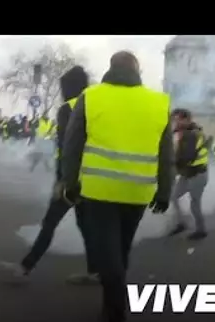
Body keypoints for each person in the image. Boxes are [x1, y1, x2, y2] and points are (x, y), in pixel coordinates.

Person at [62, 51, 174, 322]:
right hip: (137, 191)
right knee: (121, 247)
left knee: (108, 252)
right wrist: (164, 191)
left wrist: (70, 182)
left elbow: (72, 144)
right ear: (138, 71)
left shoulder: (92, 96)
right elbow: (166, 153)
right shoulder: (158, 103)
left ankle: (114, 308)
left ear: (110, 68)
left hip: (99, 189)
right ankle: (112, 301)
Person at [0, 66, 98, 284]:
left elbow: (68, 146)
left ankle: (25, 267)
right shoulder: (94, 105)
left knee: (50, 223)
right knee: (86, 226)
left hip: (70, 179)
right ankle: (95, 270)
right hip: (90, 177)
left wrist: (63, 181)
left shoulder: (68, 108)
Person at [167, 108, 209, 240]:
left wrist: (171, 165)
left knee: (194, 203)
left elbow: (186, 157)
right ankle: (182, 223)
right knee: (174, 196)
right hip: (187, 173)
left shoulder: (191, 135)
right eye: (174, 120)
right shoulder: (182, 132)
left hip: (197, 174)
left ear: (187, 120)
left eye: (178, 119)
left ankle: (201, 230)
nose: (175, 122)